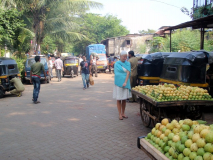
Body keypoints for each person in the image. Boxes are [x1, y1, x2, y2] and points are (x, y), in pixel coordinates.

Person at [113, 50, 131, 120]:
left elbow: (128, 73)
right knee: (118, 99)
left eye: (126, 57)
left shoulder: (128, 64)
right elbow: (117, 74)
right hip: (118, 83)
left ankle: (123, 113)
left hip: (125, 83)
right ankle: (119, 114)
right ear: (120, 56)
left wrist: (125, 82)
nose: (125, 58)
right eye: (123, 56)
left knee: (124, 99)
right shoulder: (117, 64)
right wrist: (125, 73)